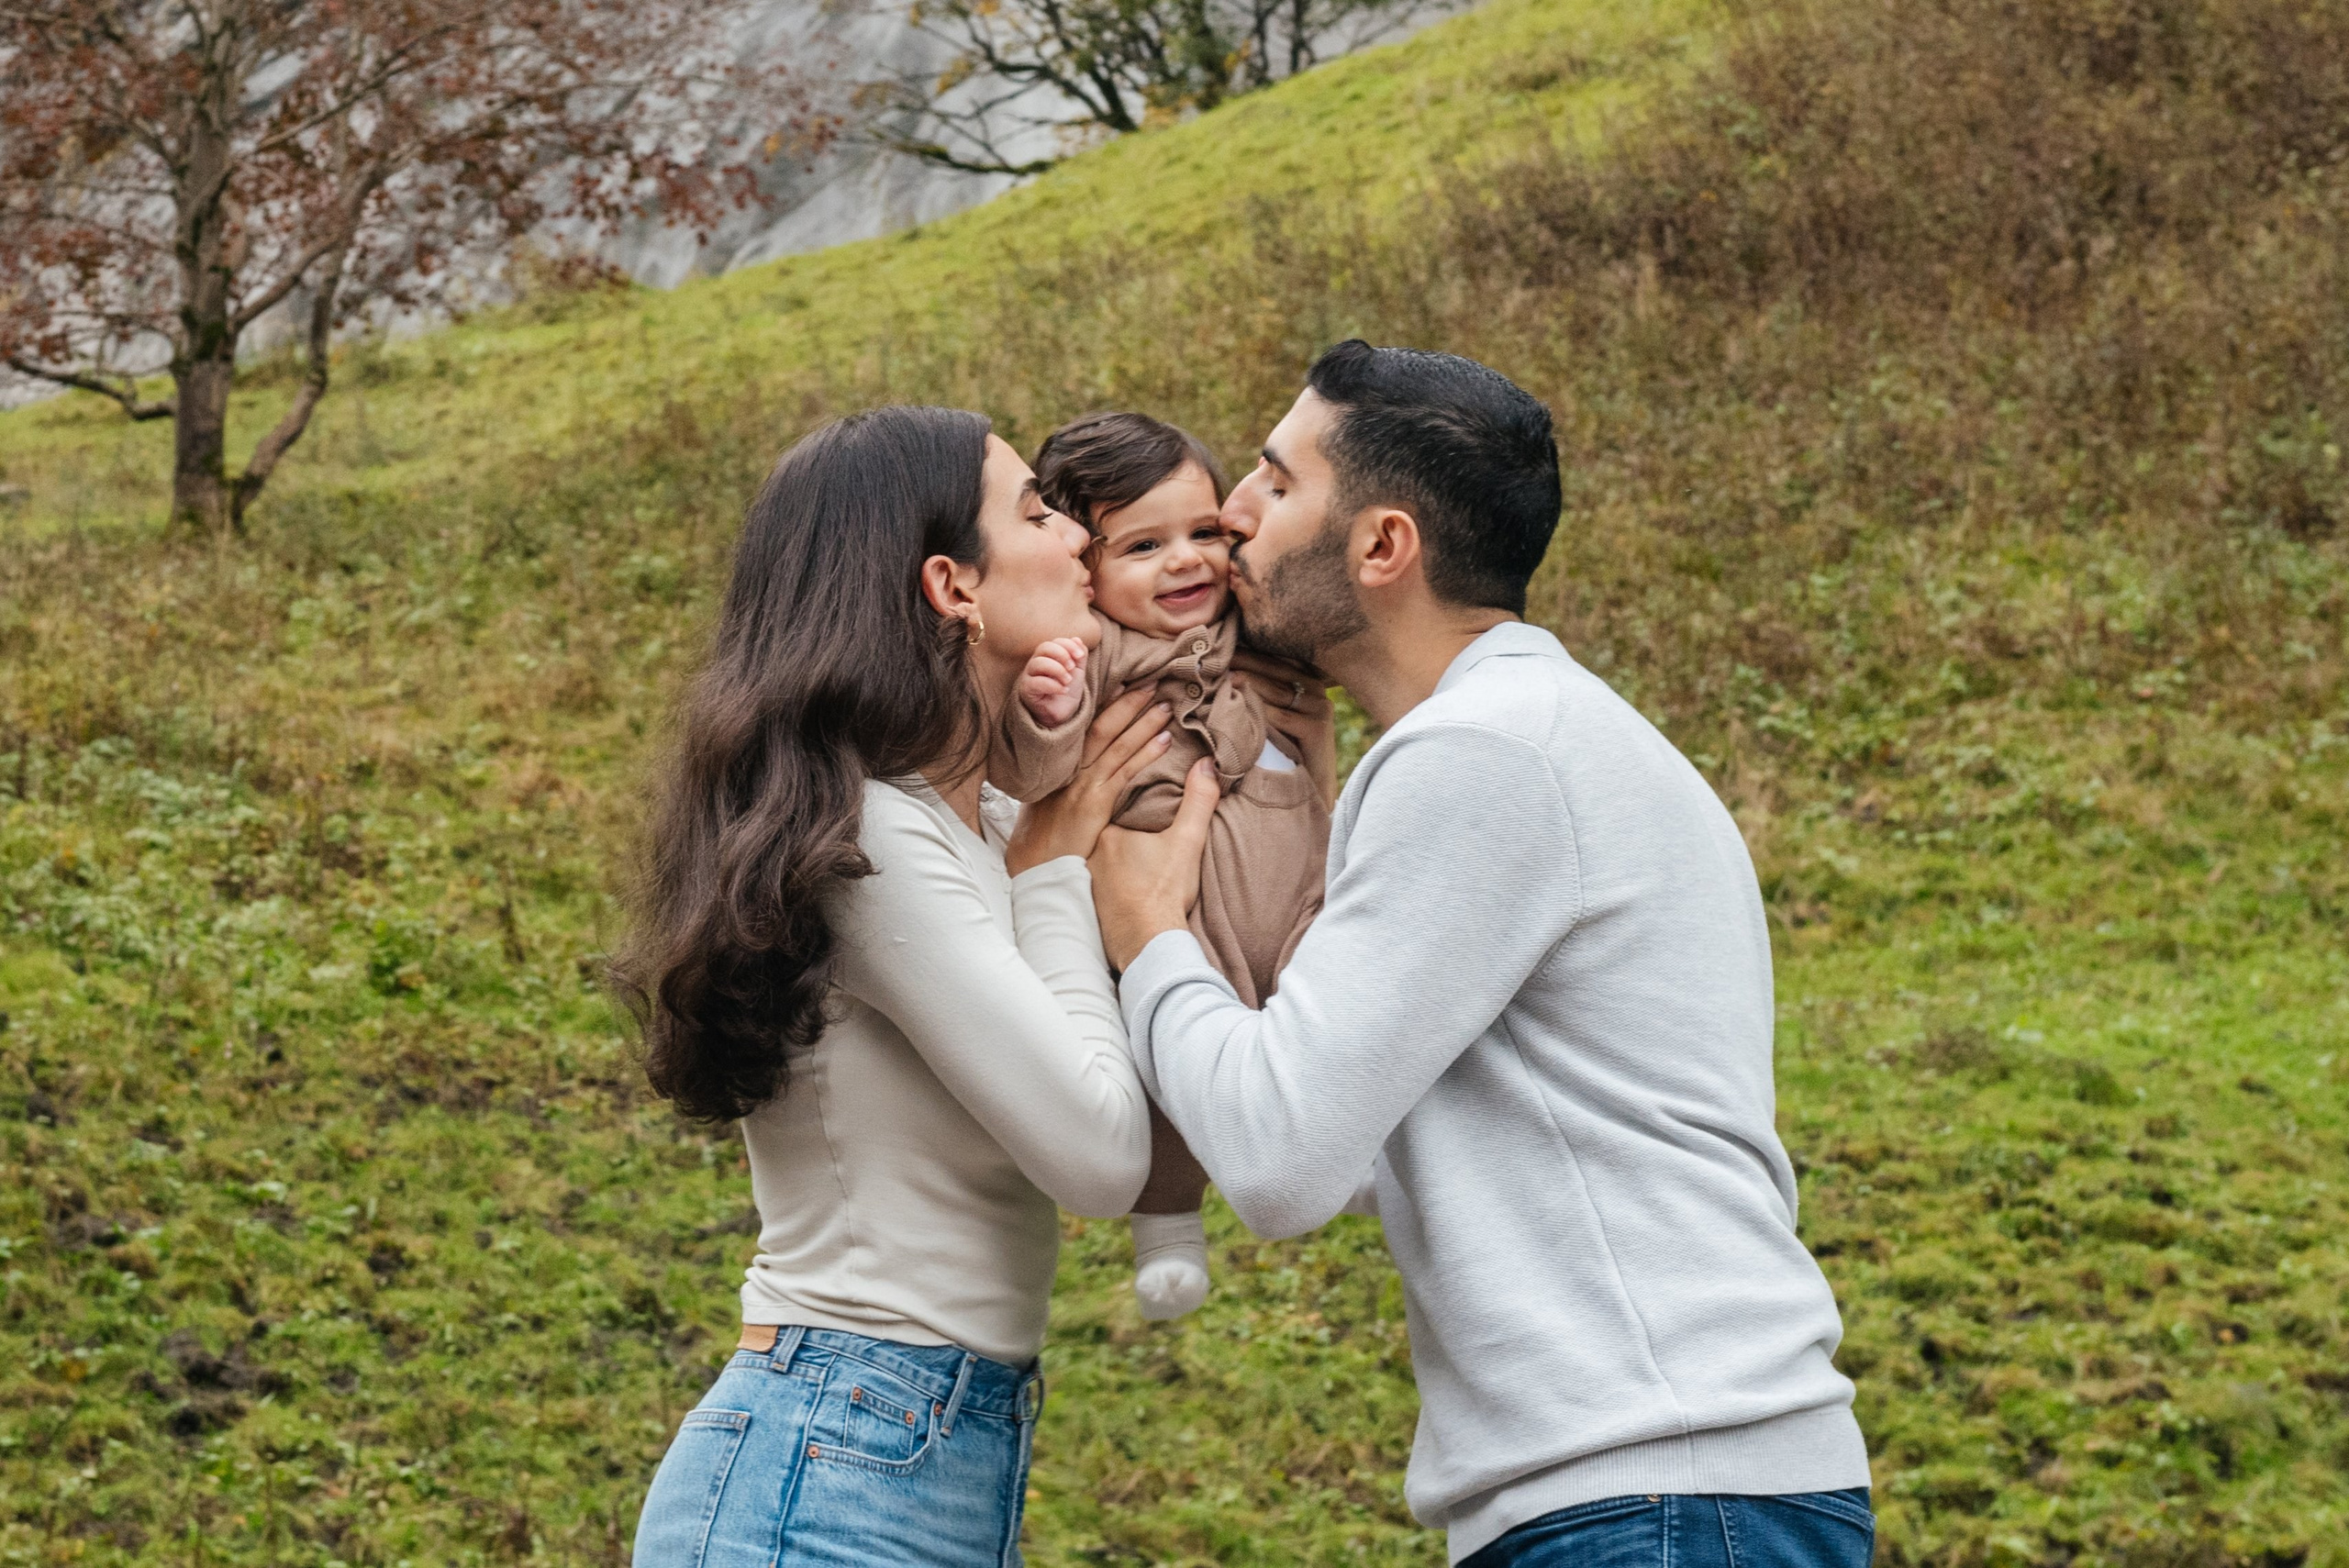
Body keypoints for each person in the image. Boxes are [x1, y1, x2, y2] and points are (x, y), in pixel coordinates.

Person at [1087, 342, 1876, 1568]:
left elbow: (1285, 1158)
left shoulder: (1483, 754)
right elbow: (1370, 1137)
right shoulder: (1541, 736)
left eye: (1274, 482)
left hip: (1654, 1489)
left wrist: (1148, 937)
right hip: (1664, 1484)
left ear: (1383, 547)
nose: (1226, 516)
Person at [613, 406, 1175, 1566]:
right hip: (833, 1456)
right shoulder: (870, 840)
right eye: (1034, 512)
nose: (1076, 537)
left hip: (919, 1450)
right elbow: (1101, 1154)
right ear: (949, 585)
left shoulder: (978, 834)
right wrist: (1059, 862)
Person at [991, 411, 1335, 1322]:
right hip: (1165, 892)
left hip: (1294, 869)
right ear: (1085, 568)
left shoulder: (1249, 620)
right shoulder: (1092, 648)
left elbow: (1323, 658)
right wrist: (1047, 701)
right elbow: (1029, 766)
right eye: (1144, 544)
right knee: (1168, 1055)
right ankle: (1169, 1226)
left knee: (1336, 1002)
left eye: (1203, 533)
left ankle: (1367, 1148)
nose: (1187, 561)